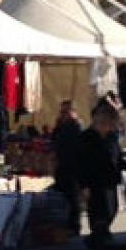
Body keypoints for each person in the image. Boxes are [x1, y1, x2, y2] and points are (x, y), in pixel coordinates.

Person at [78, 102, 125, 250]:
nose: (110, 127)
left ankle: (99, 237)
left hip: (110, 181)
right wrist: (84, 186)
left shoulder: (111, 138)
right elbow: (82, 163)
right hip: (94, 182)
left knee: (112, 210)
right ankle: (99, 241)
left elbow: (118, 158)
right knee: (98, 212)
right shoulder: (87, 139)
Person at [51, 100, 84, 234]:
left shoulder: (77, 126)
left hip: (73, 166)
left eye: (65, 111)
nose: (63, 114)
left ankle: (74, 226)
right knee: (62, 195)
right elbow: (55, 140)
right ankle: (63, 224)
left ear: (73, 112)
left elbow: (79, 148)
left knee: (73, 198)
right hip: (62, 165)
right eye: (61, 112)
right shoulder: (62, 126)